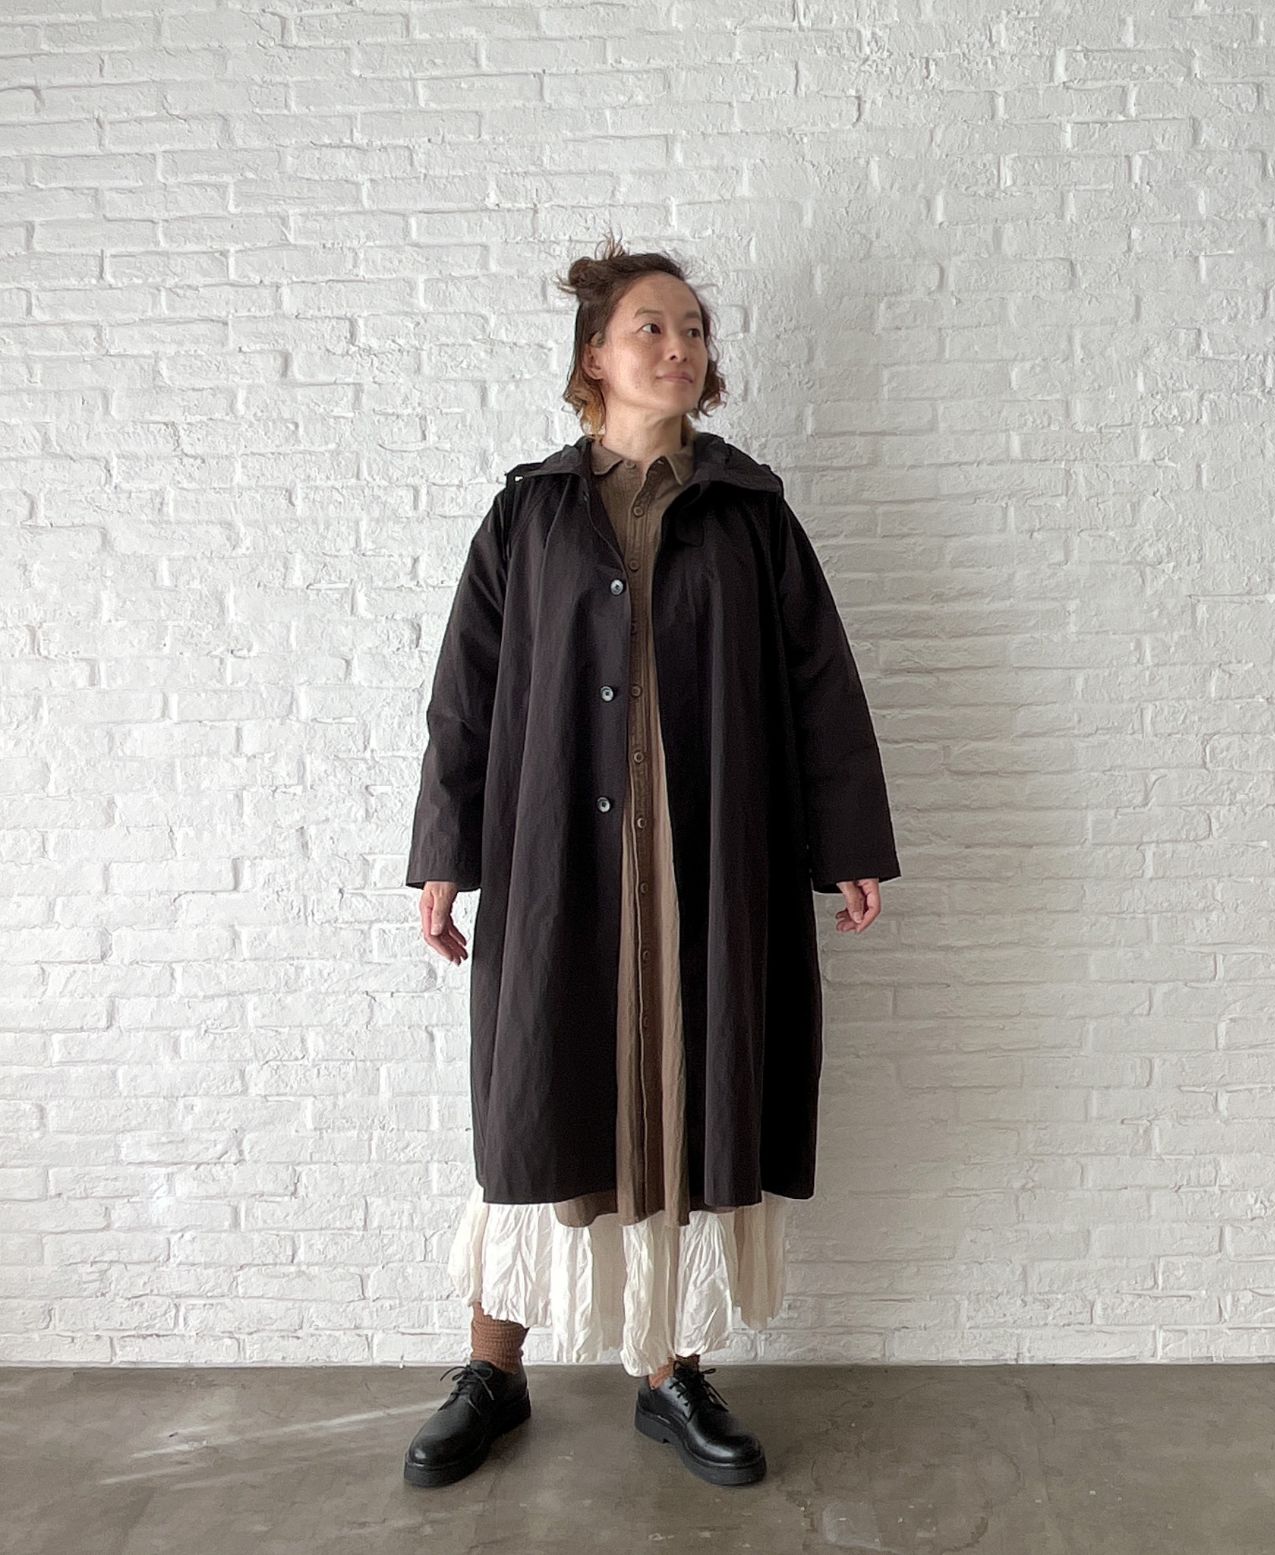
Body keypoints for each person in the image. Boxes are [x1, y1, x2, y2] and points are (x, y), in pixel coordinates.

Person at [402, 231, 900, 1490]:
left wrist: (846, 839)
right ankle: (492, 1368)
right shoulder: (528, 513)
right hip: (557, 860)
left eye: (692, 330)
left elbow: (818, 683)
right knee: (535, 1094)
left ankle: (667, 1372)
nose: (678, 347)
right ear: (594, 356)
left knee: (686, 1093)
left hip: (705, 863)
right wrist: (443, 856)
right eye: (651, 328)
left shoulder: (749, 512)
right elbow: (465, 698)